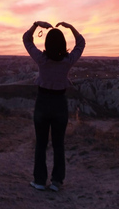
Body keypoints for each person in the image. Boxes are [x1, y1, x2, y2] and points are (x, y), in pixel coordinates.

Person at [23, 21, 86, 192]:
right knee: (59, 144)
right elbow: (81, 44)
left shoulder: (42, 60)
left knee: (41, 144)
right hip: (60, 104)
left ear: (47, 44)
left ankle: (39, 181)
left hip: (43, 102)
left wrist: (36, 25)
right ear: (63, 44)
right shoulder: (67, 61)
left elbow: (27, 40)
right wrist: (71, 28)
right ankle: (57, 182)